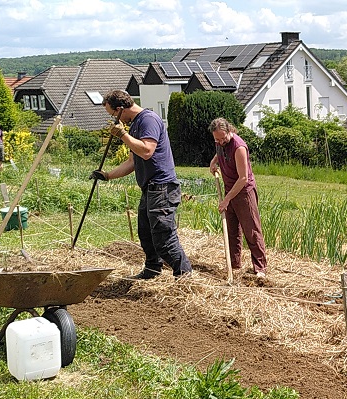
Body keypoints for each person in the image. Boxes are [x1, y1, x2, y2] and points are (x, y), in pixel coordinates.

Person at [90, 90, 191, 280]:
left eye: (113, 115)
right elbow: (133, 161)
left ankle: (184, 276)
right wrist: (107, 175)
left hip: (162, 187)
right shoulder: (135, 124)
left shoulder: (148, 120)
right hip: (149, 188)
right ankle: (152, 270)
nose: (115, 120)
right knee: (146, 234)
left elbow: (146, 151)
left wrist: (122, 135)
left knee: (164, 237)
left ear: (121, 109)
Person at [208, 117, 267, 278]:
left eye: (222, 138)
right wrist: (214, 162)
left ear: (229, 132)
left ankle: (260, 268)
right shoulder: (220, 142)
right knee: (232, 230)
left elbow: (243, 178)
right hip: (229, 189)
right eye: (216, 139)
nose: (219, 141)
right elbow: (219, 151)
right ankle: (234, 265)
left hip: (243, 192)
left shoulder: (239, 147)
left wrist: (226, 200)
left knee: (252, 230)